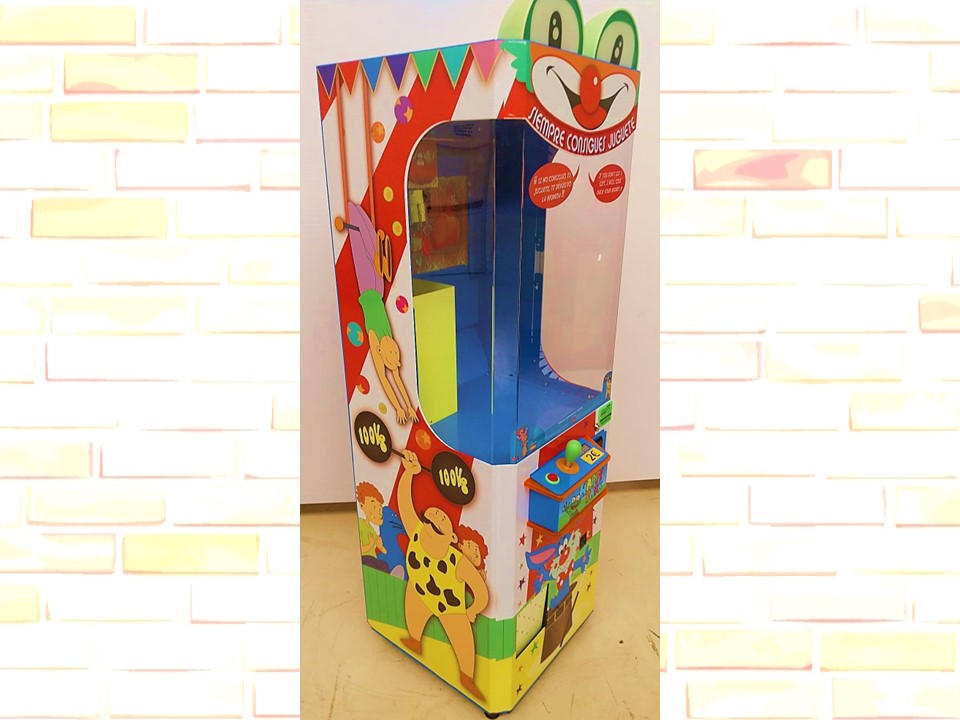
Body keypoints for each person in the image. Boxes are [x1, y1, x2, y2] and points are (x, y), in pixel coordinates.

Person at [395, 449, 488, 702]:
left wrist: (473, 610)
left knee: (463, 642)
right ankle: (415, 639)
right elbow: (404, 503)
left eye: (444, 518)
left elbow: (480, 591)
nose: (437, 514)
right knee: (413, 613)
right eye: (436, 513)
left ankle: (467, 676)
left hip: (451, 607)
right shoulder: (417, 531)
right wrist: (409, 473)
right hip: (420, 588)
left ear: (452, 537)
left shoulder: (457, 561)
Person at [347, 201, 417, 425]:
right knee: (372, 244)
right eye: (396, 352)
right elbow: (395, 379)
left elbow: (387, 380)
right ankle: (355, 211)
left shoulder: (376, 342)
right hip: (377, 290)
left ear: (382, 353)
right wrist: (405, 407)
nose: (395, 350)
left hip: (367, 290)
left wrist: (402, 408)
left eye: (393, 354)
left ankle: (352, 210)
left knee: (362, 246)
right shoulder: (387, 340)